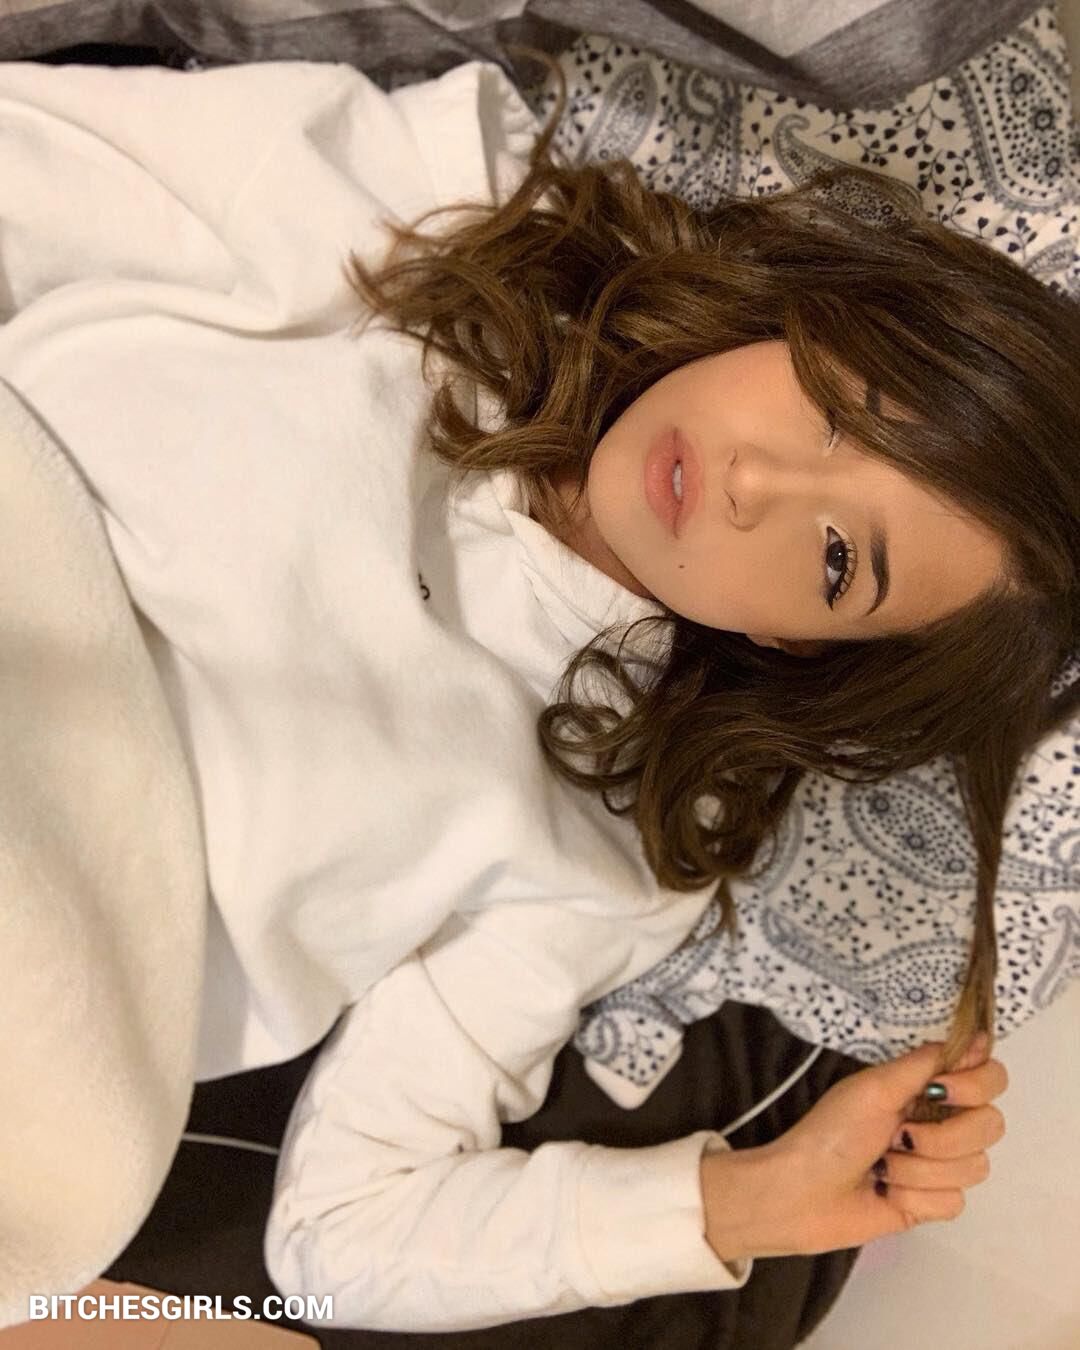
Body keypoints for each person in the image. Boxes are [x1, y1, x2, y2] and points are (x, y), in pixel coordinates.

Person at [0, 50, 1074, 1334]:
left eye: (838, 560)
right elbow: (30, 172)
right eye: (837, 402)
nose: (757, 483)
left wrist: (743, 1204)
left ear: (802, 647)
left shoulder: (609, 839)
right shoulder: (430, 204)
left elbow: (341, 1239)